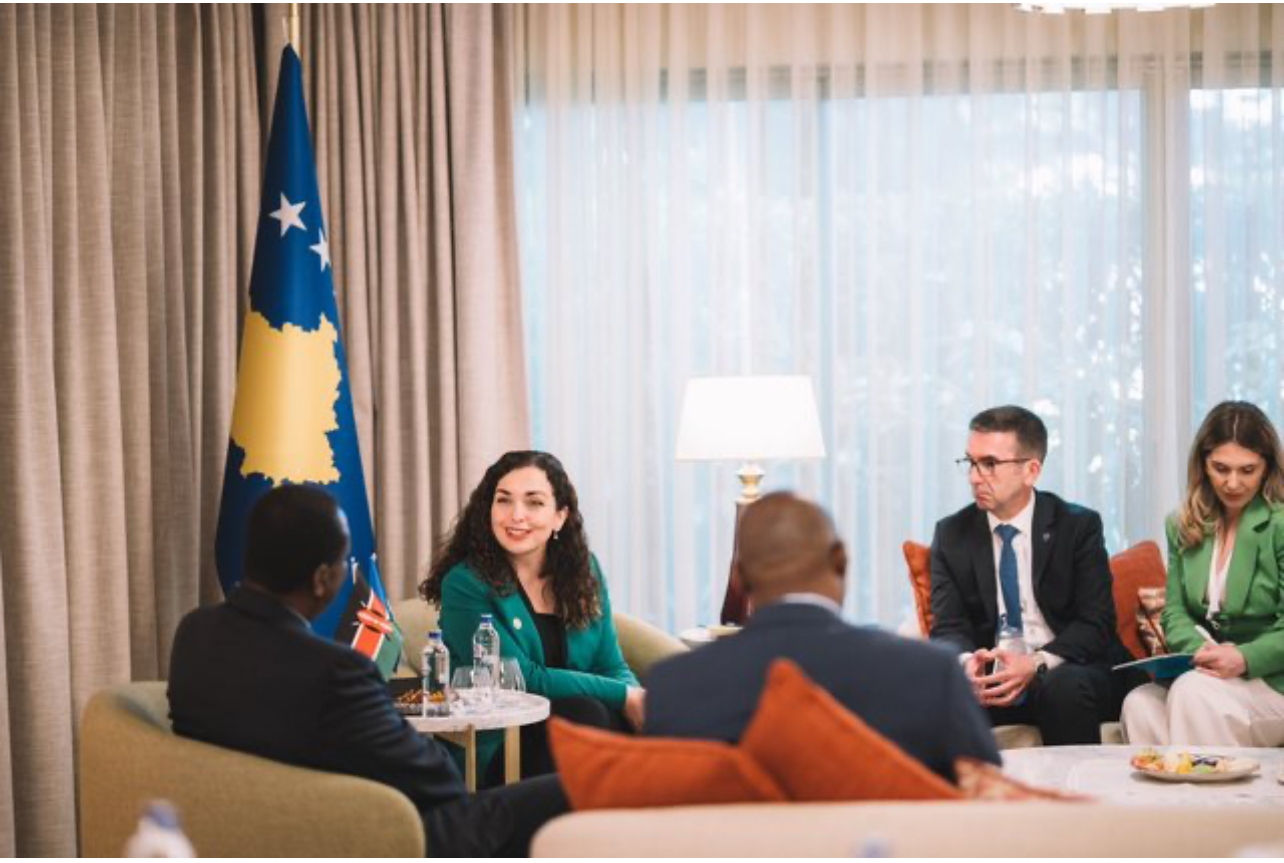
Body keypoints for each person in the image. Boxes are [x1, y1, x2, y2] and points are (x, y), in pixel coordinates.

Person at [168, 485, 567, 857]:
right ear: (322, 579)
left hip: (248, 829)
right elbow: (436, 780)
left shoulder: (194, 634)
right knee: (573, 789)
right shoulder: (333, 671)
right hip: (373, 833)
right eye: (343, 564)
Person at [644, 491, 998, 782]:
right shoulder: (930, 672)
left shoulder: (673, 687)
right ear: (840, 560)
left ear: (739, 577)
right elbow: (987, 798)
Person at [420, 450, 641, 784]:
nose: (516, 515)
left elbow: (610, 665)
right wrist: (623, 695)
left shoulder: (584, 572)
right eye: (504, 500)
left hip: (580, 733)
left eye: (534, 503)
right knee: (585, 712)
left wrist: (641, 704)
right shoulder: (465, 583)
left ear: (560, 517)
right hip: (502, 745)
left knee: (666, 715)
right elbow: (520, 679)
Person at [930, 405, 1133, 745]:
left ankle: (1072, 783)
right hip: (995, 678)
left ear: (1031, 470)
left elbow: (1095, 623)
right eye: (970, 462)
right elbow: (948, 627)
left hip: (1068, 667)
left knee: (1063, 689)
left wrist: (1035, 662)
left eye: (989, 464)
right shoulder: (952, 534)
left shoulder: (1077, 526)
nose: (974, 477)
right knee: (936, 693)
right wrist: (967, 663)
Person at [1122, 401, 1284, 745]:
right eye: (1221, 468)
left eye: (1247, 470)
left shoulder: (1280, 525)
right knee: (1140, 704)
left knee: (1193, 692)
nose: (1233, 483)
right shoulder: (1182, 525)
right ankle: (1178, 784)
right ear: (1203, 464)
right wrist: (1204, 653)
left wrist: (1242, 657)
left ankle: (1211, 782)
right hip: (1215, 673)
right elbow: (1175, 612)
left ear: (1267, 468)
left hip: (1274, 679)